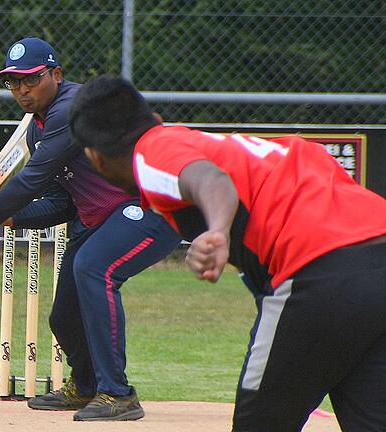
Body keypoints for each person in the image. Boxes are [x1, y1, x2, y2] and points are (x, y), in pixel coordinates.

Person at [70, 74, 386, 431]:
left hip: (318, 270)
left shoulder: (152, 151)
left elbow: (210, 180)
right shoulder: (226, 146)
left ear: (94, 157)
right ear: (155, 117)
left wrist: (217, 230)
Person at [0, 38, 180, 421]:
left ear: (56, 74)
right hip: (100, 219)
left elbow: (32, 180)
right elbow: (61, 201)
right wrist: (12, 218)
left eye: (32, 79)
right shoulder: (36, 131)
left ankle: (118, 394)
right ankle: (87, 385)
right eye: (13, 83)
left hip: (150, 208)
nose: (22, 90)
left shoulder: (71, 109)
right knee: (64, 316)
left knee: (93, 268)